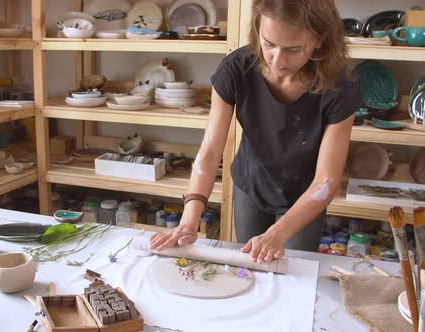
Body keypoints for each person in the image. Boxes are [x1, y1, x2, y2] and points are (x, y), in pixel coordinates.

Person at [150, 0, 361, 264]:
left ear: (319, 40)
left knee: (291, 272)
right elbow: (210, 151)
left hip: (305, 194)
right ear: (257, 29)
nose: (278, 60)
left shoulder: (339, 88)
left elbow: (325, 182)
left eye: (294, 49)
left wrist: (279, 232)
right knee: (248, 268)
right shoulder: (235, 70)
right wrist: (190, 218)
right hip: (251, 183)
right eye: (269, 44)